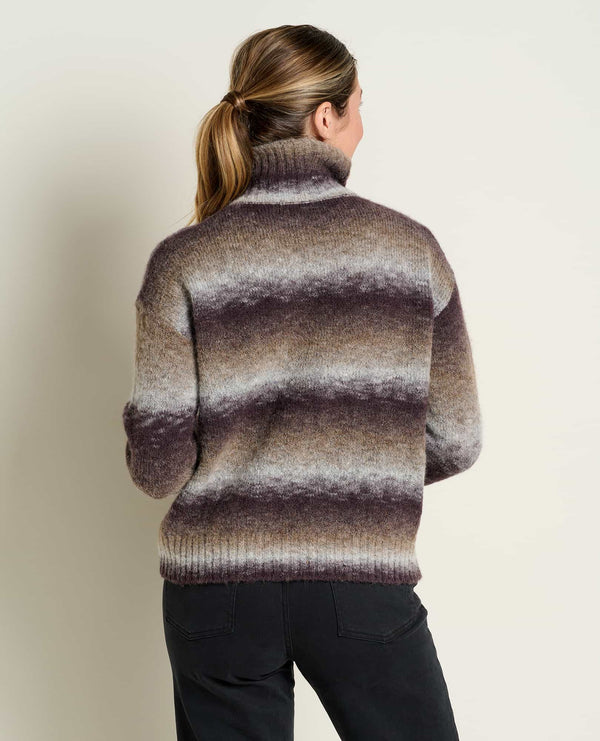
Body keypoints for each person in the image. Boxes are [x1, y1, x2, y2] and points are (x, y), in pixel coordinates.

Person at [122, 23, 482, 741]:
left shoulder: (184, 260)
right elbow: (458, 439)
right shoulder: (410, 251)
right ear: (325, 117)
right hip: (360, 579)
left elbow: (156, 468)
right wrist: (358, 467)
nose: (361, 127)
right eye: (358, 107)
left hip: (219, 590)